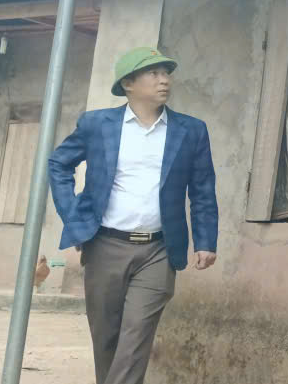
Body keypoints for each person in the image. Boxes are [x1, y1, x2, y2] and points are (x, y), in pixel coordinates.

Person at [48, 47, 219, 384]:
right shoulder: (97, 124)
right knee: (106, 341)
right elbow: (59, 163)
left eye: (166, 73)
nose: (164, 80)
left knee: (135, 340)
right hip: (104, 246)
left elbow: (202, 189)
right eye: (154, 73)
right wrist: (73, 216)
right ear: (128, 83)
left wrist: (205, 240)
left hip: (158, 250)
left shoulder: (191, 130)